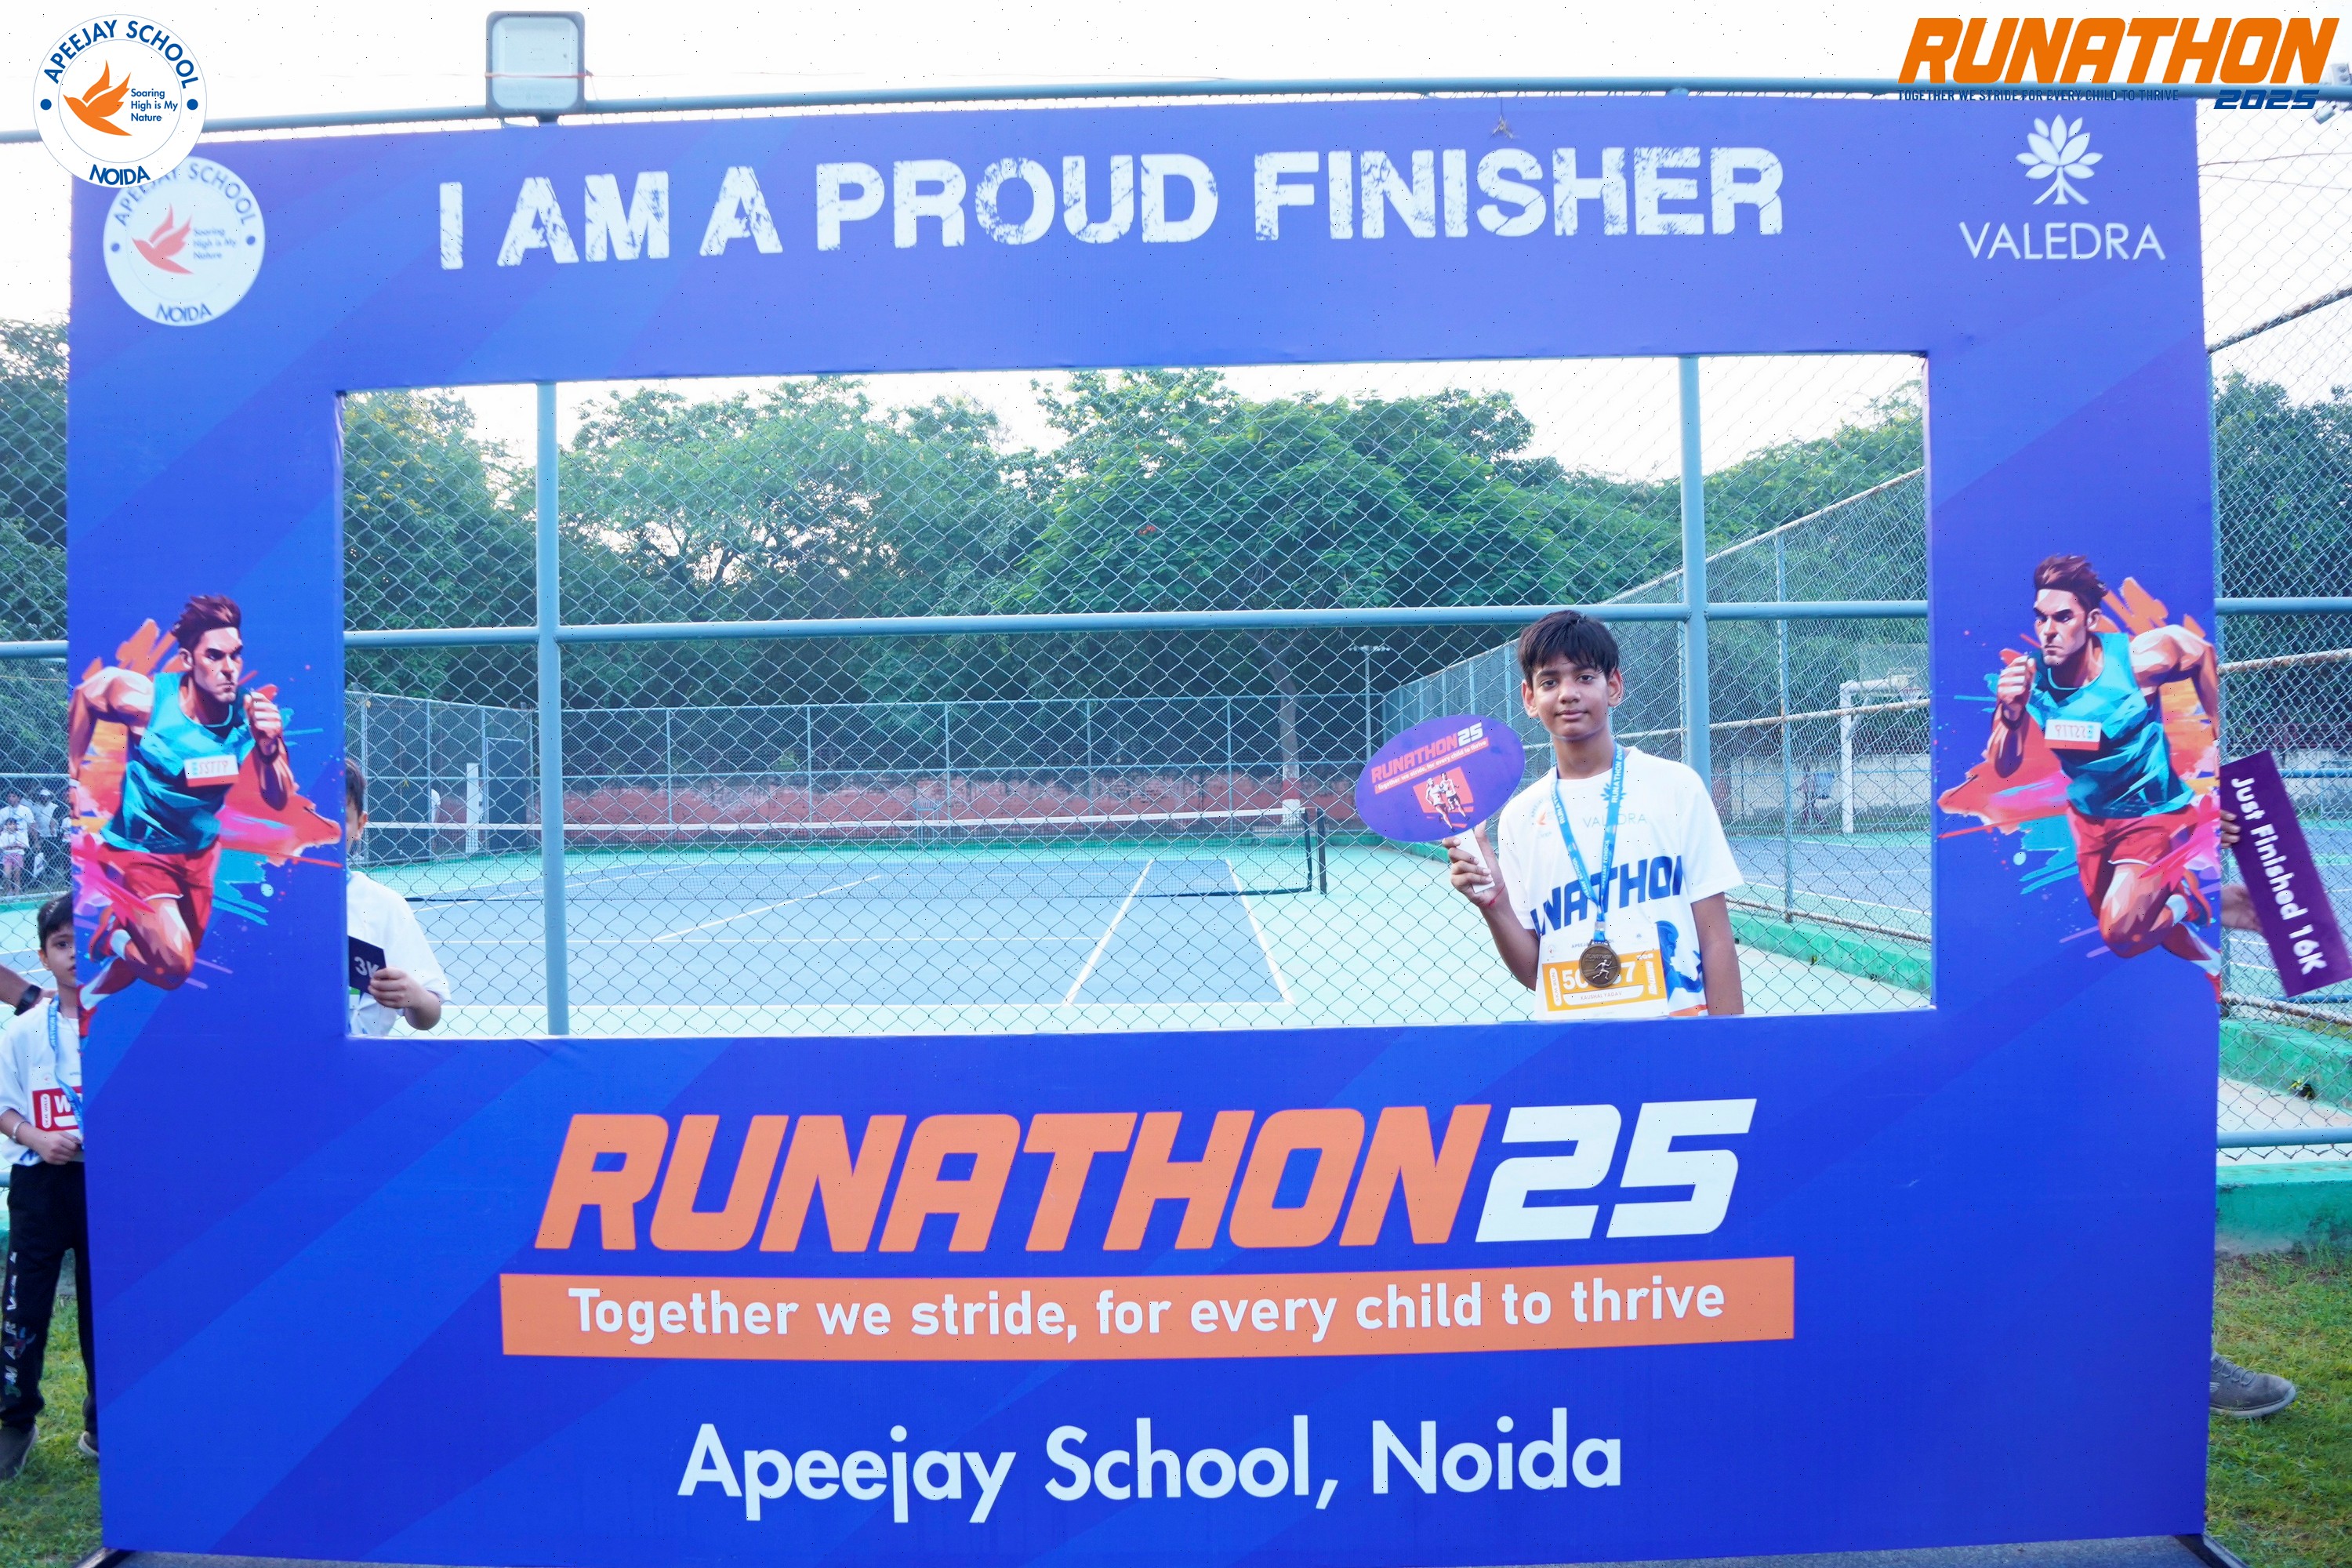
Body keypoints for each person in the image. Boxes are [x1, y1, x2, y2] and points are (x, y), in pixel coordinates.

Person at [1448, 610, 1744, 1020]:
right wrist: (1494, 903)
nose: (1568, 693)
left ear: (1614, 687)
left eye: (1585, 677)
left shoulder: (1676, 787)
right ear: (1530, 699)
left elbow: (1716, 939)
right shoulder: (1520, 816)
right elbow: (1535, 973)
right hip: (1572, 1040)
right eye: (1550, 682)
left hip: (1676, 1032)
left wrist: (1730, 1047)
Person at [1989, 554, 2223, 981]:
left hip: (2152, 815)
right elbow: (2004, 765)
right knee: (2128, 931)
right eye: (2041, 618)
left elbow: (2199, 652)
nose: (2049, 631)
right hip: (2089, 819)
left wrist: (2219, 734)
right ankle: (2211, 960)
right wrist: (2010, 711)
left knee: (2119, 931)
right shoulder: (2027, 677)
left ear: (2091, 620)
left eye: (2063, 618)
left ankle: (2183, 902)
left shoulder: (2138, 660)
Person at [67, 594, 294, 1000]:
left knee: (163, 962)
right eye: (215, 656)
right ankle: (114, 939)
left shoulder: (252, 713)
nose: (229, 668)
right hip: (139, 851)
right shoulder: (147, 699)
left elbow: (278, 798)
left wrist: (270, 746)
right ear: (189, 659)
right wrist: (71, 774)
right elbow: (88, 694)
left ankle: (91, 992)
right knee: (175, 964)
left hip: (199, 855)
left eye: (236, 655)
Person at [2200, 806, 2302, 1420]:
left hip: (2148, 1021)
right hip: (2040, 1025)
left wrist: (2196, 892)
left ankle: (2184, 1355)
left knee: (2164, 1199)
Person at [0, 896, 90, 1479]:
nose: (75, 955)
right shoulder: (25, 1030)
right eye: (62, 944)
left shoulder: (123, 1026)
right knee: (23, 1307)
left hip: (106, 1187)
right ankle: (15, 1420)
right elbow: (3, 1106)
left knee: (106, 1306)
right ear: (43, 957)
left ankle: (104, 1423)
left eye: (86, 942)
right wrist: (34, 1135)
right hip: (39, 1187)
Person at [344, 763, 448, 1036]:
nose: (324, 830)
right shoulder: (257, 902)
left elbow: (429, 1014)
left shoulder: (383, 905)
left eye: (339, 818)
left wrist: (415, 996)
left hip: (359, 1059)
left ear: (360, 825)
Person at [0, 812, 25, 897]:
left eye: (14, 824)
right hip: (7, 855)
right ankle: (10, 890)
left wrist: (18, 845)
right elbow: (2, 847)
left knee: (17, 876)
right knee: (7, 875)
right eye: (10, 824)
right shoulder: (3, 836)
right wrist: (10, 846)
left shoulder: (20, 835)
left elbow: (25, 845)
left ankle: (17, 894)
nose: (12, 826)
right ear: (6, 826)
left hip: (18, 855)